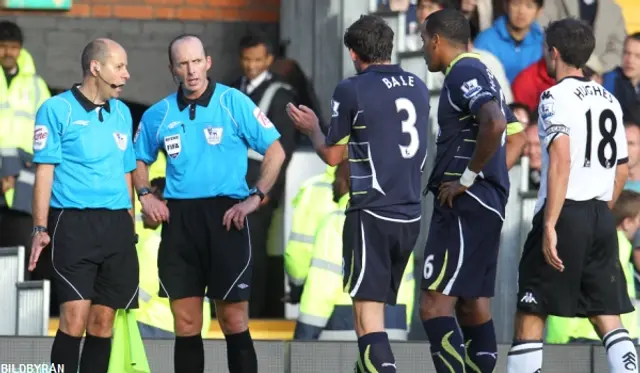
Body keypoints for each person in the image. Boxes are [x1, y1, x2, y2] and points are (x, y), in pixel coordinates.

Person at [132, 34, 285, 373]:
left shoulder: (234, 103)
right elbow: (137, 159)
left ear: (208, 62)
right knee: (186, 324)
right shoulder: (159, 114)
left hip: (226, 218)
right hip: (180, 221)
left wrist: (254, 198)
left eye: (196, 61)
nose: (191, 71)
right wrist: (144, 196)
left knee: (232, 319)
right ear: (173, 68)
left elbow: (275, 151)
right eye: (183, 64)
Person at [287, 14, 428, 372]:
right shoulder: (416, 84)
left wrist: (312, 129)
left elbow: (334, 155)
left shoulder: (352, 88)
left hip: (372, 213)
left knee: (367, 320)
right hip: (410, 214)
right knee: (375, 316)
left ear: (353, 53)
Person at [506, 18, 636, 373]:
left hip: (566, 212)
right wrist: (600, 208)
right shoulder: (609, 98)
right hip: (599, 214)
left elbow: (560, 159)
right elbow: (622, 167)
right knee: (606, 314)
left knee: (531, 310)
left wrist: (551, 222)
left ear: (554, 53)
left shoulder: (554, 96)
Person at [27, 38, 137, 373]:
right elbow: (44, 172)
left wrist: (130, 222)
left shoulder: (122, 112)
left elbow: (126, 171)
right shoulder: (56, 109)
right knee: (74, 319)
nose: (127, 75)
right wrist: (40, 227)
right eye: (119, 67)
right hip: (73, 225)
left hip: (116, 227)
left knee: (103, 323)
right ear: (96, 68)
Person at [419, 9, 518, 373]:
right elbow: (514, 130)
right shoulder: (485, 71)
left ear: (436, 41)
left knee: (434, 303)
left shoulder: (464, 70)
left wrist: (467, 178)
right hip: (487, 200)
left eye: (423, 41)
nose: (423, 49)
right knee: (472, 304)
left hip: (466, 201)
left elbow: (494, 122)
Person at [294, 159, 415, 342]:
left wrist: (305, 334)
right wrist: (401, 326)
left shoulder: (336, 222)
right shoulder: (398, 224)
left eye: (336, 179)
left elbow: (323, 285)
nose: (333, 186)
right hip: (393, 326)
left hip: (344, 327)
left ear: (346, 182)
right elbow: (406, 286)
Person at [231, 32, 298, 317]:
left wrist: (269, 190)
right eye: (247, 59)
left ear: (269, 60)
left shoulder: (280, 93)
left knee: (253, 250)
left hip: (259, 183)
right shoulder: (232, 89)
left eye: (258, 60)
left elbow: (286, 146)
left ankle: (253, 313)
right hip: (229, 181)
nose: (251, 66)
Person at [546, 189, 640, 344]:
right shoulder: (617, 244)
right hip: (593, 337)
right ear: (627, 223)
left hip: (568, 335)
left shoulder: (578, 241)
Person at [0, 20, 51, 282]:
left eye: (13, 47)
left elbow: (47, 129)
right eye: (3, 47)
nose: (8, 53)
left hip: (23, 178)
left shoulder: (35, 84)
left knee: (21, 247)